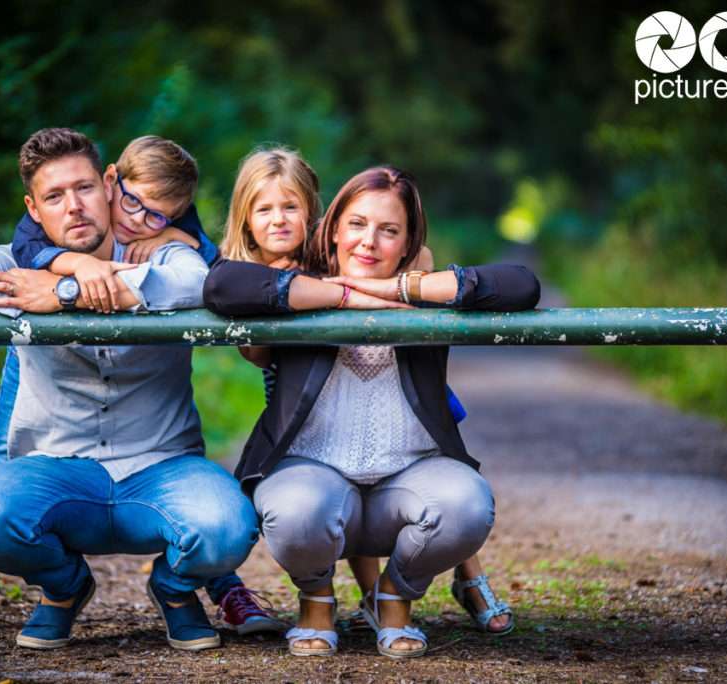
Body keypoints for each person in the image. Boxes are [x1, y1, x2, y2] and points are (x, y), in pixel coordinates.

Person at [0, 135, 285, 641]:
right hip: (58, 468)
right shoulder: (19, 263)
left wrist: (68, 293)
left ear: (109, 184)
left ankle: (177, 588)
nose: (73, 206)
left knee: (226, 527)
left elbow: (196, 283)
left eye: (85, 188)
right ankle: (63, 585)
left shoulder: (169, 251)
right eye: (54, 196)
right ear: (34, 208)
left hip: (159, 466)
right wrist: (62, 278)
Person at [203, 165, 540, 658]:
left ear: (407, 244)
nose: (369, 241)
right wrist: (343, 295)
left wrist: (402, 291)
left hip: (407, 478)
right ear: (333, 227)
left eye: (389, 231)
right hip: (314, 476)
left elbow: (521, 285)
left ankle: (394, 597)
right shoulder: (299, 284)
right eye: (357, 224)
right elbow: (222, 286)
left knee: (468, 504)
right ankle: (317, 601)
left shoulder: (424, 290)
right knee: (295, 512)